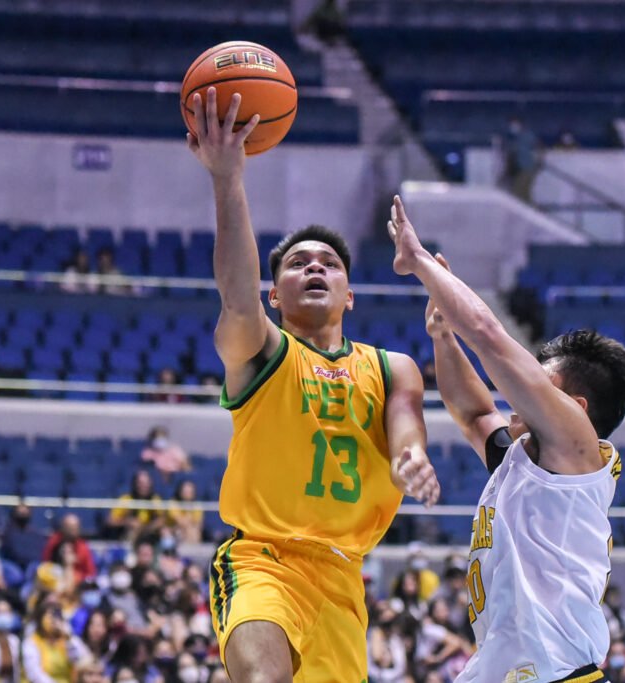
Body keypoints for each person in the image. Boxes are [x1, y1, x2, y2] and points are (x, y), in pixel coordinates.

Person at [186, 89, 439, 682]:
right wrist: (228, 180)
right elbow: (236, 293)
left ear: (350, 294)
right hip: (261, 559)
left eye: (329, 261)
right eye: (298, 263)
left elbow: (406, 424)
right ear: (275, 296)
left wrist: (411, 457)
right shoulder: (264, 352)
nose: (315, 267)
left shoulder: (391, 366)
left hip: (343, 575)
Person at [386, 194, 625, 683]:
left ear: (576, 411)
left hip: (559, 674)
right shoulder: (528, 461)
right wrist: (443, 336)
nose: (521, 393)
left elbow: (489, 335)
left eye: (544, 385)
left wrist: (418, 263)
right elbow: (473, 410)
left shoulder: (578, 454)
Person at [22, 602, 90, 683]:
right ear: (40, 620)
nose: (53, 621)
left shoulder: (66, 638)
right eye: (49, 617)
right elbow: (34, 674)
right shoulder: (31, 642)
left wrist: (69, 638)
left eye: (56, 617)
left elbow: (82, 659)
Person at [105, 469, 164, 540]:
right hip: (129, 534)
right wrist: (129, 521)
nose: (145, 486)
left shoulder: (155, 499)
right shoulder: (126, 499)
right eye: (141, 483)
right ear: (135, 484)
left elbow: (162, 519)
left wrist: (148, 527)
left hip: (150, 534)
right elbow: (111, 520)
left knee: (165, 531)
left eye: (147, 483)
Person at [42, 514, 97, 585]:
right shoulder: (53, 543)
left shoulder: (83, 547)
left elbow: (90, 573)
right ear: (63, 528)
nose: (74, 530)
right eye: (70, 527)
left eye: (76, 527)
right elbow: (46, 565)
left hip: (78, 584)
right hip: (55, 581)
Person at [500, 117, 540, 202]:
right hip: (518, 170)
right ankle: (533, 212)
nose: (513, 127)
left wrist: (538, 162)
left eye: (515, 124)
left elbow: (539, 147)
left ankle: (533, 212)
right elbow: (510, 157)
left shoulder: (527, 135)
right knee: (523, 195)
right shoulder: (512, 139)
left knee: (518, 193)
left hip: (527, 168)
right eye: (511, 124)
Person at [168, 479, 204, 544]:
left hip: (191, 531)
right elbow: (181, 522)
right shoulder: (174, 503)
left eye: (190, 492)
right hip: (174, 530)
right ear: (180, 492)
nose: (188, 494)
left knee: (194, 531)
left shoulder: (197, 505)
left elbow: (199, 524)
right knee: (183, 530)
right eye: (186, 492)